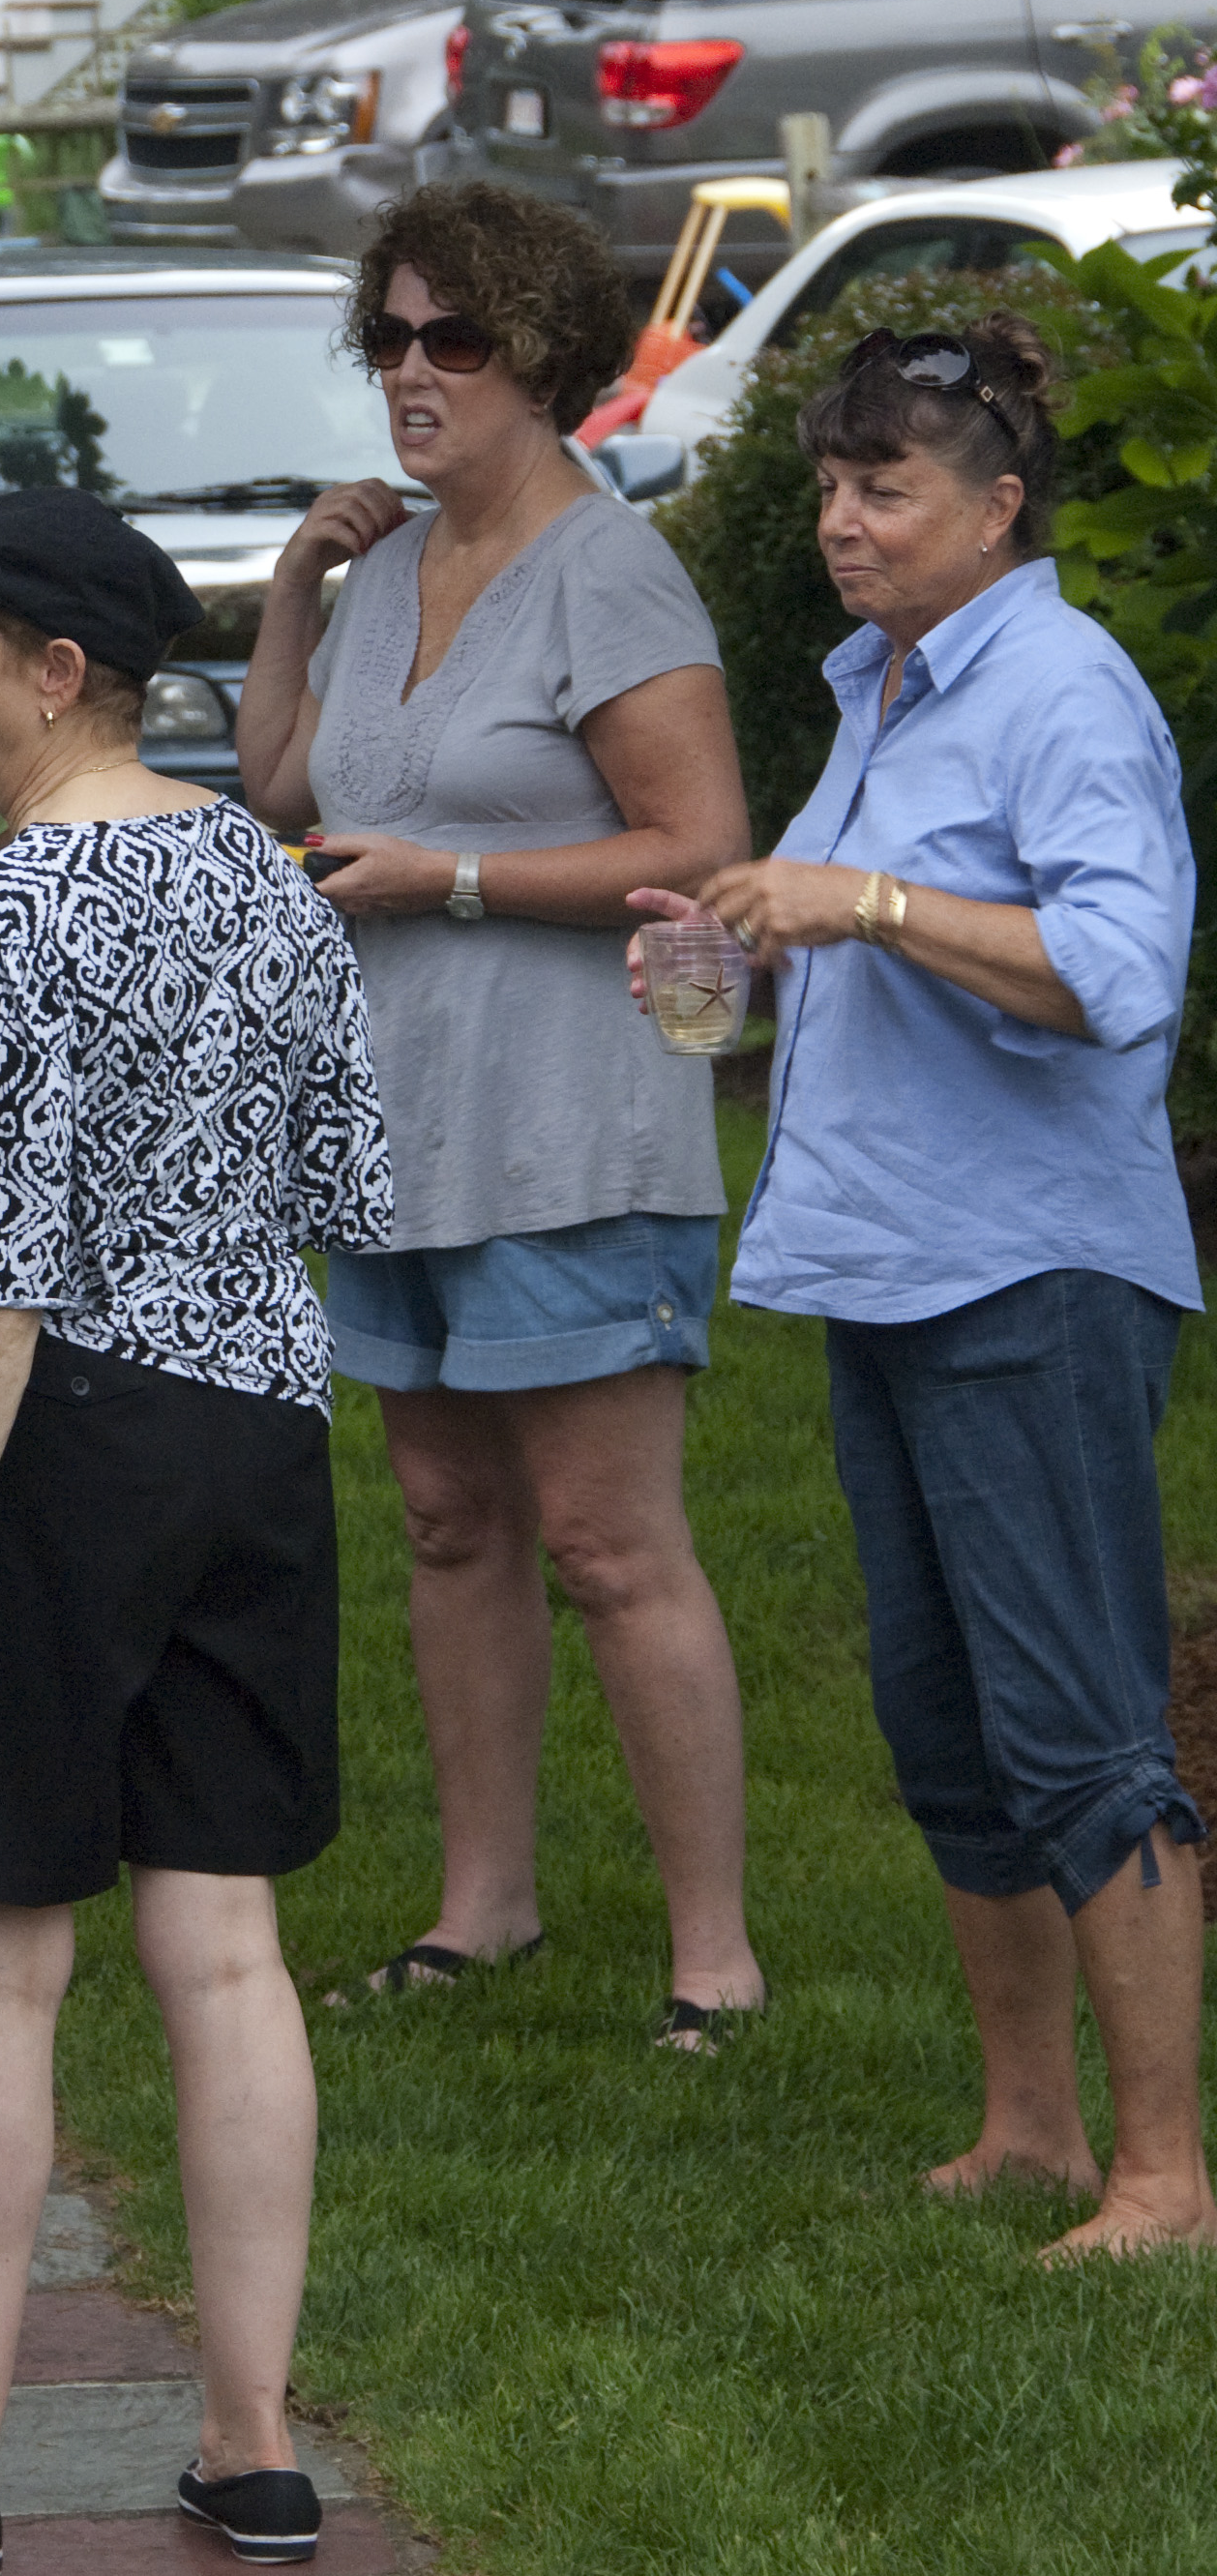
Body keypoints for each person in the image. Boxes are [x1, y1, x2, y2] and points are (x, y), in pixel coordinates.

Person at [0, 488, 395, 2576]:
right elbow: (348, 1180)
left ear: (59, 670)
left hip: (50, 1450)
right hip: (254, 1429)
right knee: (226, 1945)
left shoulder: (13, 910)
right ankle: (255, 2446)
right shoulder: (262, 872)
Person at [642, 313, 1213, 2258]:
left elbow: (1114, 973)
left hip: (1031, 1273)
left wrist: (866, 901)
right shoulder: (886, 683)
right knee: (949, 1723)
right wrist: (738, 955)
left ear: (998, 505)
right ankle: (1031, 2130)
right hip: (890, 1270)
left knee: (1081, 1723)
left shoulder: (1062, 688)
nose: (841, 519)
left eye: (885, 487)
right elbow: (877, 944)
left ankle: (1167, 2176)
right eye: (829, 483)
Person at [234, 179, 766, 2047]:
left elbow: (703, 843)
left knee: (610, 1542)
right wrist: (296, 586)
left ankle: (715, 1955)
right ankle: (486, 1909)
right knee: (450, 1520)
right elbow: (284, 783)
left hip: (573, 1129)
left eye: (451, 338)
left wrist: (450, 880)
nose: (411, 371)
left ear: (541, 359)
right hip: (403, 1131)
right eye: (386, 336)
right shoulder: (391, 567)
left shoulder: (606, 573)